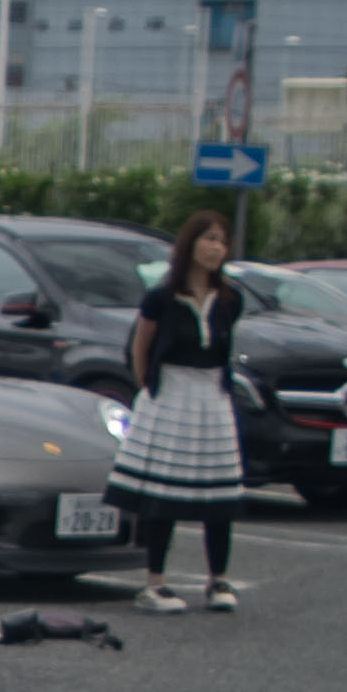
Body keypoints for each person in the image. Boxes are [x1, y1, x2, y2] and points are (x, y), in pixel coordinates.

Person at [116, 210, 246, 613]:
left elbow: (223, 351)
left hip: (212, 395)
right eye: (208, 239)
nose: (216, 248)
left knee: (219, 493)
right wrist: (150, 389)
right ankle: (155, 583)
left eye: (222, 241)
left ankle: (218, 580)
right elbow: (141, 347)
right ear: (190, 244)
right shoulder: (162, 297)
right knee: (163, 494)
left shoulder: (230, 299)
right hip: (172, 392)